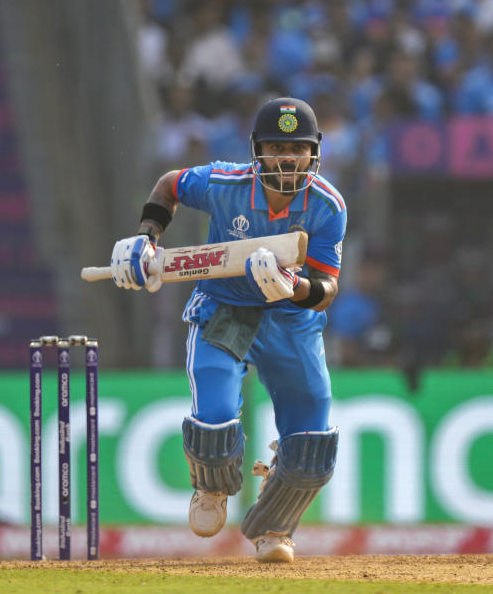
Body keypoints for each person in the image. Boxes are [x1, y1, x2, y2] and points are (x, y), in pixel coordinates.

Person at [108, 97, 346, 563]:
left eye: (297, 149)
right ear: (257, 151)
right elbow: (169, 184)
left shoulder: (327, 205)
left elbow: (327, 287)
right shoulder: (224, 184)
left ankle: (273, 529)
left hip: (290, 321)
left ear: (313, 153)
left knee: (312, 443)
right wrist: (147, 238)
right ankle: (211, 486)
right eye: (277, 147)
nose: (287, 158)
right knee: (214, 422)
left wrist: (291, 286)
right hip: (225, 307)